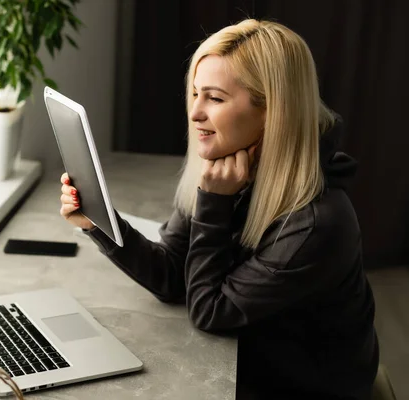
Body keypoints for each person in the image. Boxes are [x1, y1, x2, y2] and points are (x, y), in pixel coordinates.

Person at [58, 19, 378, 400]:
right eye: (195, 94)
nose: (195, 113)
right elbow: (175, 275)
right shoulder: (229, 169)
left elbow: (210, 312)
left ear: (273, 111)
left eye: (215, 97)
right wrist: (100, 224)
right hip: (256, 360)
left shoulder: (316, 223)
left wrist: (214, 202)